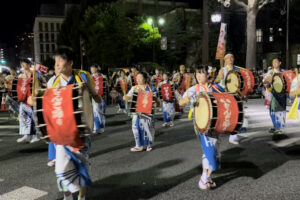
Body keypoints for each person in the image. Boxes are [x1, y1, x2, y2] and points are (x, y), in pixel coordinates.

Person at [46, 48, 102, 200]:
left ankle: (82, 197)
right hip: (62, 130)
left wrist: (97, 98)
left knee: (82, 164)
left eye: (60, 60)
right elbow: (46, 102)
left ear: (70, 63)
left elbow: (94, 93)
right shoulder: (53, 81)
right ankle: (67, 196)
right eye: (55, 61)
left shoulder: (83, 76)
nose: (56, 64)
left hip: (81, 129)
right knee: (61, 168)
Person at [179, 65, 220, 190]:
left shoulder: (216, 88)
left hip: (215, 123)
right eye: (197, 74)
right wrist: (188, 98)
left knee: (215, 151)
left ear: (207, 75)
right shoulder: (194, 89)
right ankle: (204, 178)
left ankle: (208, 178)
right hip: (202, 124)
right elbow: (181, 102)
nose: (198, 76)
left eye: (201, 73)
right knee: (209, 150)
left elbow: (224, 101)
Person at [214, 53, 248, 145]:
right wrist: (221, 79)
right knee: (231, 114)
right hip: (228, 95)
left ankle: (234, 135)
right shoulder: (223, 70)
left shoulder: (238, 70)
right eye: (228, 58)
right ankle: (231, 133)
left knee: (239, 113)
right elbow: (216, 81)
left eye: (232, 57)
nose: (230, 59)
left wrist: (244, 93)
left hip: (238, 94)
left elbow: (243, 82)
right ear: (225, 60)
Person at [123, 72, 157, 152]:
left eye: (140, 77)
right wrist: (126, 97)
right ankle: (138, 145)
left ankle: (149, 144)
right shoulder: (134, 88)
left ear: (145, 78)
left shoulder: (151, 88)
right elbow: (129, 96)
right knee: (135, 127)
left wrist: (152, 97)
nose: (138, 79)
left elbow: (155, 98)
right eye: (137, 78)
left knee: (147, 127)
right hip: (136, 111)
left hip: (147, 111)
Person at [16, 58, 40, 144]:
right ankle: (26, 135)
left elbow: (37, 86)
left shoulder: (34, 74)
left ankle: (36, 135)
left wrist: (35, 96)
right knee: (23, 116)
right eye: (22, 64)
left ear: (29, 64)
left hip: (31, 98)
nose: (23, 65)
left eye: (24, 64)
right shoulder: (21, 75)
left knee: (34, 117)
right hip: (23, 99)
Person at [263, 58, 287, 138]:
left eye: (276, 62)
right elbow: (265, 81)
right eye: (273, 62)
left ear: (280, 63)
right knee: (271, 111)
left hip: (281, 94)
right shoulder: (270, 72)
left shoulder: (284, 72)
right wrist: (267, 80)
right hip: (271, 93)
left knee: (280, 110)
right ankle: (275, 126)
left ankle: (279, 128)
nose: (274, 63)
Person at [90, 64, 106, 134]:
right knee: (95, 111)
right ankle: (96, 127)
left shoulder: (102, 76)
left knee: (101, 112)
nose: (92, 70)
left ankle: (102, 127)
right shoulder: (89, 77)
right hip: (93, 97)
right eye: (91, 68)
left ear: (97, 69)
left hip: (102, 96)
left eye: (93, 68)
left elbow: (105, 86)